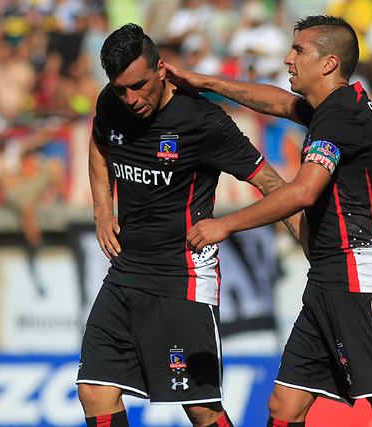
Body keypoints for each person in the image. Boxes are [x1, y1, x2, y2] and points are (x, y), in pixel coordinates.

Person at [167, 14, 372, 427]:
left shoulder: (338, 116)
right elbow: (277, 102)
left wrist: (225, 225)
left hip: (355, 274)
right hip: (329, 276)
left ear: (328, 63)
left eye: (299, 51)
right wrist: (209, 83)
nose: (288, 59)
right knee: (284, 407)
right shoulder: (338, 106)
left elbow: (304, 191)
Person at [75, 23, 303, 427]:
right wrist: (102, 210)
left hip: (182, 278)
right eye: (120, 88)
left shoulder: (202, 122)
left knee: (199, 409)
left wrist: (310, 241)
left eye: (139, 85)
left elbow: (270, 183)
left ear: (161, 69)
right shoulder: (112, 103)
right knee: (94, 389)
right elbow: (99, 145)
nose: (131, 99)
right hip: (126, 272)